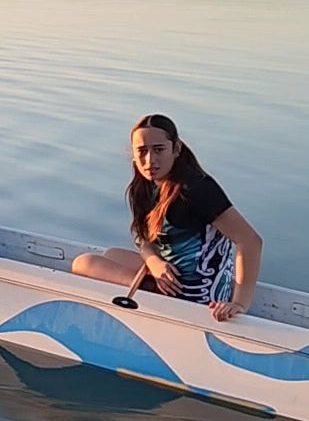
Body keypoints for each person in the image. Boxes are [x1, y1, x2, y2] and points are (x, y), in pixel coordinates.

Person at [70, 113, 262, 322]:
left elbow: (250, 241)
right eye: (142, 151)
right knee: (112, 254)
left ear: (176, 149)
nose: (150, 160)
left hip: (196, 296)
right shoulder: (145, 186)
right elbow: (145, 239)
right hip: (173, 276)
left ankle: (148, 293)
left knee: (83, 263)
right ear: (133, 154)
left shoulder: (195, 188)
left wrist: (240, 304)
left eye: (158, 150)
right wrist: (154, 262)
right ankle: (149, 286)